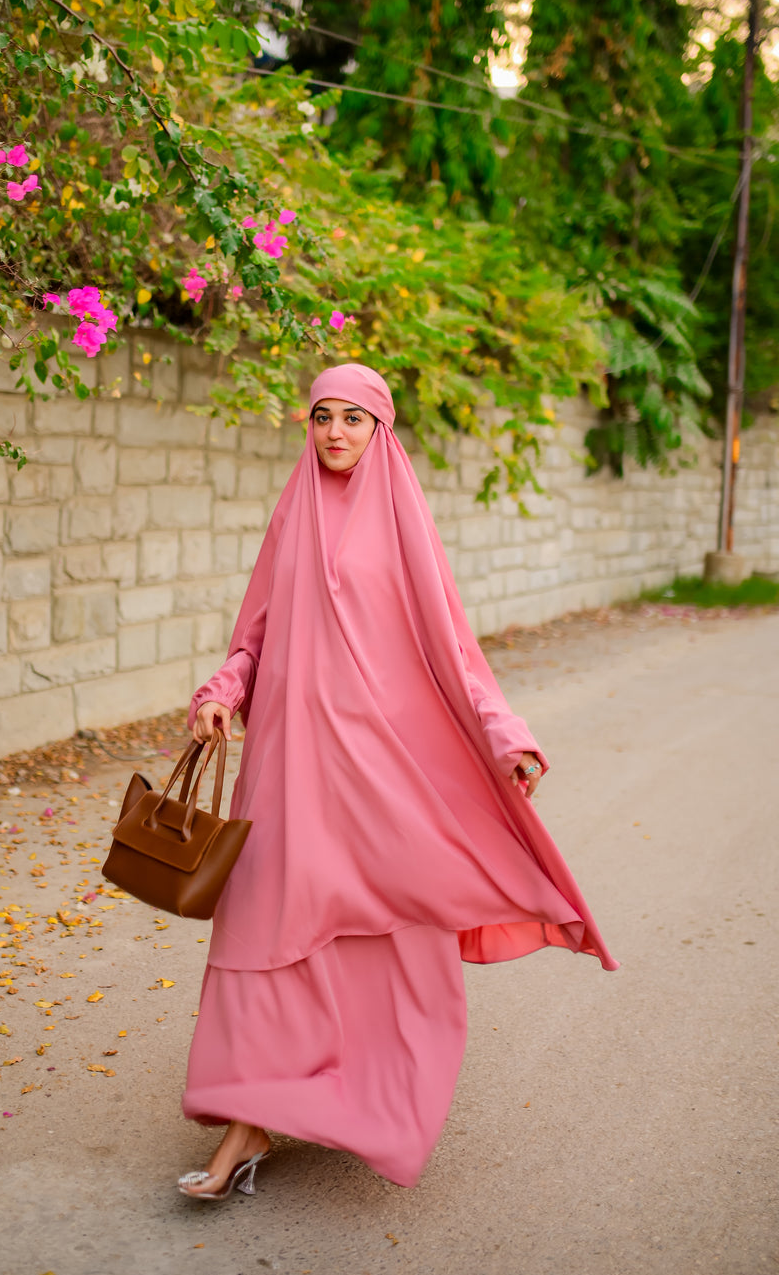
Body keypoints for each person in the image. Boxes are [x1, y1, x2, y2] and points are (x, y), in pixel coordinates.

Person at [176, 363, 617, 1201]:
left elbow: (454, 652)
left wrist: (506, 735)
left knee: (386, 932)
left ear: (382, 429)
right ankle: (246, 1121)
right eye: (321, 417)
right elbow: (255, 634)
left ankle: (362, 1099)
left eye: (353, 418)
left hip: (380, 774)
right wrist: (221, 692)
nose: (335, 432)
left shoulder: (404, 526)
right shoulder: (293, 513)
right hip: (289, 768)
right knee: (264, 926)